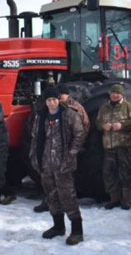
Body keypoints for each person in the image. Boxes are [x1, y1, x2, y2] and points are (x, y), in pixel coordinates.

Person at [30, 87, 86, 245]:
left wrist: (71, 154)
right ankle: (58, 227)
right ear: (45, 102)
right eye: (49, 100)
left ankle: (77, 231)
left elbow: (79, 134)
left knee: (67, 196)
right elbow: (35, 138)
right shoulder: (40, 117)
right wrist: (34, 157)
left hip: (63, 164)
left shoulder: (69, 114)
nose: (52, 103)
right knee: (51, 196)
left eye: (54, 99)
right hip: (46, 164)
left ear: (58, 100)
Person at [33, 84, 90, 213]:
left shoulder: (74, 109)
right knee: (51, 180)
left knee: (66, 181)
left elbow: (83, 127)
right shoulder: (47, 112)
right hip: (52, 152)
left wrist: (74, 148)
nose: (58, 98)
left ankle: (69, 207)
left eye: (61, 95)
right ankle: (50, 202)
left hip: (69, 149)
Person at [96, 84, 131, 210]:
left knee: (125, 173)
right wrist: (102, 126)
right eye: (113, 93)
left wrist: (122, 125)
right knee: (109, 173)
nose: (115, 95)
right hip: (109, 147)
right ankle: (114, 199)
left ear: (122, 95)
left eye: (117, 93)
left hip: (124, 146)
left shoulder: (129, 107)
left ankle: (126, 200)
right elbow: (98, 121)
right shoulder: (104, 108)